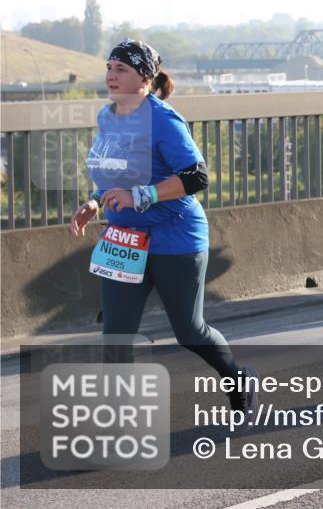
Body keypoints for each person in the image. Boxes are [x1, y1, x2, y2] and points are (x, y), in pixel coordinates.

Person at [70, 39, 258, 428]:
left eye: (121, 68)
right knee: (116, 334)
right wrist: (95, 201)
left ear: (144, 77)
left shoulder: (162, 119)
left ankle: (238, 377)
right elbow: (113, 173)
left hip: (175, 238)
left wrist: (139, 195)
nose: (111, 74)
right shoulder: (109, 117)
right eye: (109, 66)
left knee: (190, 332)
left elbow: (196, 176)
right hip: (124, 241)